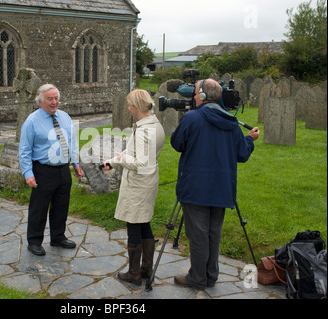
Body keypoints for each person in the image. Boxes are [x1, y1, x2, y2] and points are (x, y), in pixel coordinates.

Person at [170, 78, 260, 290]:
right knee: (213, 233)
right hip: (221, 190)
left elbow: (177, 143)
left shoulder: (191, 118)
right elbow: (242, 154)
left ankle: (197, 279)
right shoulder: (231, 122)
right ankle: (210, 276)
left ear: (201, 96)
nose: (192, 96)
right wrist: (249, 139)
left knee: (198, 235)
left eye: (195, 93)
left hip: (195, 189)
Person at [103, 89, 165, 285]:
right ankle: (146, 269)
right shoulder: (153, 123)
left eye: (130, 105)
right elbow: (138, 154)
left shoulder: (144, 130)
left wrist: (122, 159)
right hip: (147, 181)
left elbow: (140, 162)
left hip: (139, 184)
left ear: (136, 107)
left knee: (134, 225)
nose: (128, 108)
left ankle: (134, 273)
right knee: (143, 222)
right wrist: (113, 161)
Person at [19, 84, 83, 256]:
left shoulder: (65, 117)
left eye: (56, 98)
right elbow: (24, 150)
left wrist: (75, 163)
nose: (55, 102)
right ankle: (34, 241)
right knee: (39, 208)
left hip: (63, 169)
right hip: (42, 171)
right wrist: (28, 173)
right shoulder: (31, 121)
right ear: (40, 101)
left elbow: (72, 142)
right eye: (50, 99)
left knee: (61, 206)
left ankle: (58, 237)